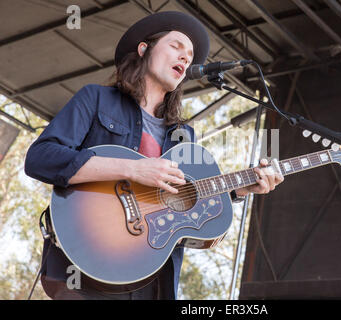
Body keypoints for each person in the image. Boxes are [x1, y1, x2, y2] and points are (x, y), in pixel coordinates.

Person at [25, 11, 284, 300]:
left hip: (153, 282)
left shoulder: (184, 136)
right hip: (88, 272)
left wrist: (239, 188)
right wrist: (133, 170)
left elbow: (188, 200)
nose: (185, 58)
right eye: (176, 47)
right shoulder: (95, 99)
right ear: (144, 49)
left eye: (190, 56)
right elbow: (41, 158)